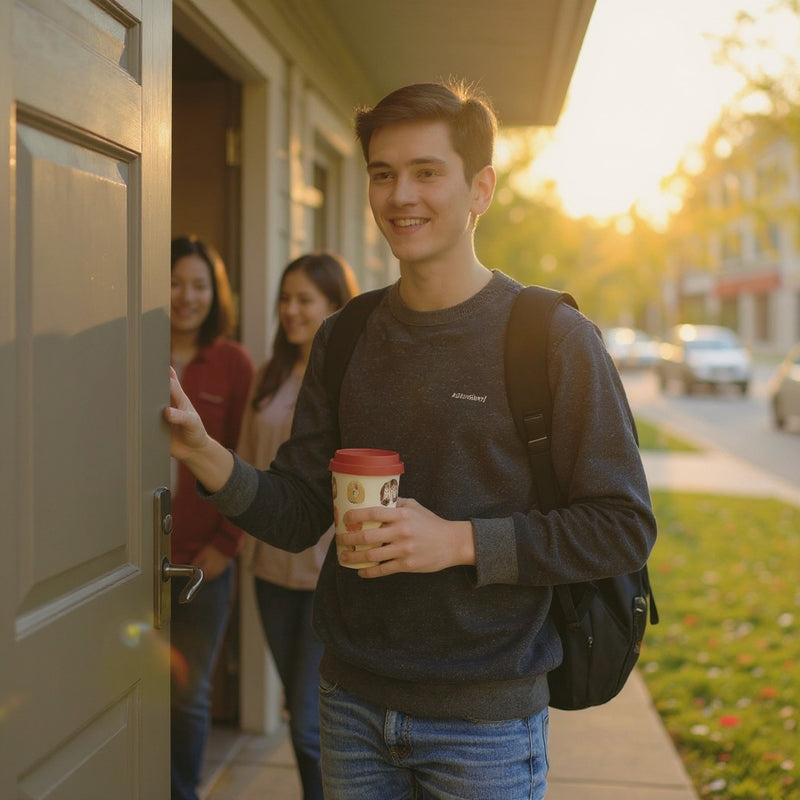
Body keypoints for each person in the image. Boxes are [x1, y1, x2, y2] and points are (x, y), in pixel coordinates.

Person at [165, 81, 657, 799]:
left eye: (427, 172)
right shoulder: (348, 335)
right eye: (383, 173)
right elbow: (302, 510)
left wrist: (460, 542)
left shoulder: (550, 339)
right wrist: (204, 453)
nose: (401, 195)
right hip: (351, 704)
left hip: (484, 724)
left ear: (480, 188)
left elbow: (622, 527)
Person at [236, 252, 358, 800]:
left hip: (322, 577)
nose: (290, 310)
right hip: (267, 568)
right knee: (296, 709)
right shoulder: (267, 376)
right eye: (285, 298)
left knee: (311, 723)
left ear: (334, 307)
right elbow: (244, 461)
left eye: (304, 300)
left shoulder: (349, 380)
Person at [168, 235, 254, 800]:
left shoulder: (233, 364)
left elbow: (249, 460)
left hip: (202, 563)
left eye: (199, 285)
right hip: (131, 558)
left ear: (215, 293)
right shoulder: (130, 344)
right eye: (175, 282)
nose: (186, 296)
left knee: (187, 694)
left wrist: (227, 544)